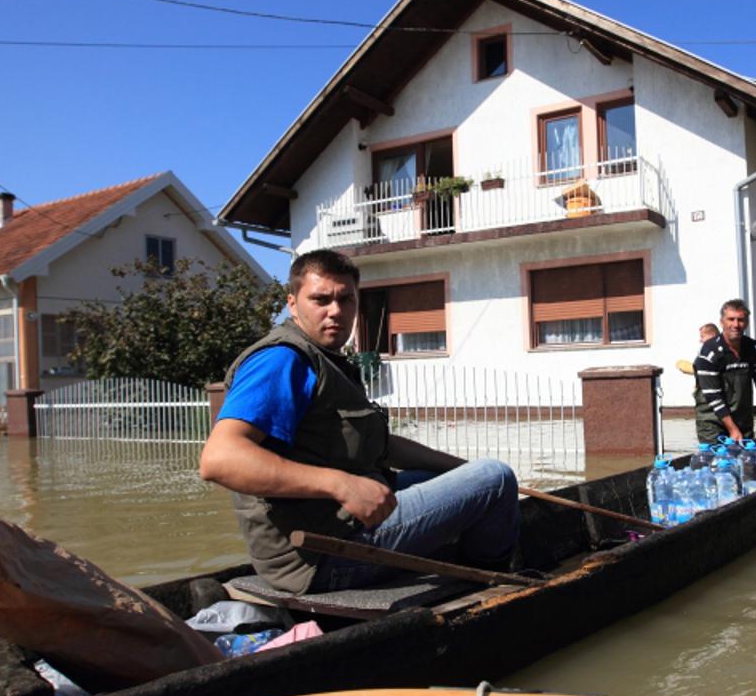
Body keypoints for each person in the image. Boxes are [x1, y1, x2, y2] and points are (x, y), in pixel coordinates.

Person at [199, 250, 520, 595]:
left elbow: (383, 446)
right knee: (496, 478)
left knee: (465, 477)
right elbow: (219, 460)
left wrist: (460, 470)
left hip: (338, 529)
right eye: (320, 300)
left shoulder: (328, 362)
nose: (335, 311)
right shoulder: (282, 360)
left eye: (345, 299)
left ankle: (464, 556)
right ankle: (490, 584)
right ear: (293, 304)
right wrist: (341, 485)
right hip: (321, 557)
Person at [692, 299, 756, 443]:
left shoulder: (755, 349)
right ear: (722, 322)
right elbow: (713, 397)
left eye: (741, 320)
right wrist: (733, 430)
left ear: (746, 322)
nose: (736, 325)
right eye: (731, 319)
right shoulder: (709, 353)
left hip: (742, 419)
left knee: (747, 462)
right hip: (712, 421)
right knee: (719, 463)